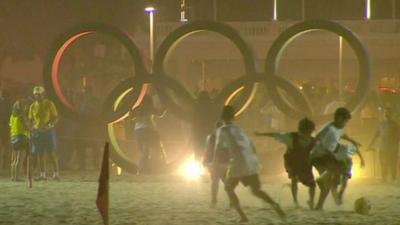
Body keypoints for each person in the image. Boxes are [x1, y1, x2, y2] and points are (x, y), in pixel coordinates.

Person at [214, 105, 285, 222]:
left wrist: (215, 162)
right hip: (251, 162)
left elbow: (218, 149)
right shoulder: (240, 129)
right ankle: (275, 204)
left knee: (228, 188)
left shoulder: (221, 130)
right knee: (256, 191)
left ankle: (243, 216)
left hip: (238, 163)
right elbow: (251, 146)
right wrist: (253, 160)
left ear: (222, 118)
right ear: (233, 118)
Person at [255, 118, 316, 209]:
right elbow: (275, 135)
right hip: (291, 162)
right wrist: (260, 134)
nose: (304, 135)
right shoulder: (290, 137)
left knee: (312, 185)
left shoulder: (313, 141)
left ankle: (311, 202)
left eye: (308, 133)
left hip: (305, 164)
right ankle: (295, 202)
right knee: (294, 178)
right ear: (300, 130)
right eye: (302, 132)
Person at [310, 107, 361, 210]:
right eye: (345, 121)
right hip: (319, 156)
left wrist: (353, 141)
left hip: (324, 156)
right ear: (339, 118)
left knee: (329, 181)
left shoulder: (337, 128)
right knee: (334, 172)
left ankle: (319, 206)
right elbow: (317, 137)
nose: (345, 124)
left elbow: (343, 134)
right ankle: (322, 186)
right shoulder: (329, 128)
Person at [28, 86, 60, 181]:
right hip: (38, 132)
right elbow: (30, 119)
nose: (37, 96)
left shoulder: (49, 104)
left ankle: (56, 174)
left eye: (39, 94)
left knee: (52, 153)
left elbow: (56, 117)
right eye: (35, 94)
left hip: (49, 131)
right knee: (40, 154)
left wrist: (51, 124)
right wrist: (31, 128)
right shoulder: (33, 106)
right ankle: (43, 175)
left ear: (43, 94)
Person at [130, 94, 166, 174]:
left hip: (138, 132)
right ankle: (144, 170)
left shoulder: (137, 108)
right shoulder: (149, 107)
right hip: (148, 131)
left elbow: (131, 116)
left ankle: (143, 170)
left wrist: (130, 108)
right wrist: (166, 106)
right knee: (153, 151)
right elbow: (159, 114)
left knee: (144, 152)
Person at [367, 107, 399, 182]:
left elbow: (398, 137)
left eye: (388, 112)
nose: (386, 114)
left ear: (391, 114)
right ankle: (384, 178)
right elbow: (376, 135)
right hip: (382, 147)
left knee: (392, 164)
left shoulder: (395, 125)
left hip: (392, 148)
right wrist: (370, 145)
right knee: (383, 163)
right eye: (385, 112)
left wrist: (396, 147)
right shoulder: (380, 124)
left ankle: (393, 178)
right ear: (383, 114)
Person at [203, 121, 229, 208]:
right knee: (226, 183)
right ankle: (232, 201)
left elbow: (208, 150)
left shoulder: (211, 137)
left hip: (215, 163)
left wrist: (205, 160)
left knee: (215, 183)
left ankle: (214, 201)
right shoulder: (226, 138)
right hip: (223, 163)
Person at [9, 99, 30, 181]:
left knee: (14, 159)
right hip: (21, 137)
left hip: (13, 137)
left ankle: (13, 176)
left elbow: (11, 126)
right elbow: (27, 127)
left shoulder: (12, 116)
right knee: (20, 159)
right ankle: (17, 177)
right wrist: (31, 125)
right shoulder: (22, 116)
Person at [0, 89, 12, 171]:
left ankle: (4, 168)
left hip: (5, 128)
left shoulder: (7, 104)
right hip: (6, 128)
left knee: (5, 149)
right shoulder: (8, 104)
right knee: (5, 149)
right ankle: (5, 168)